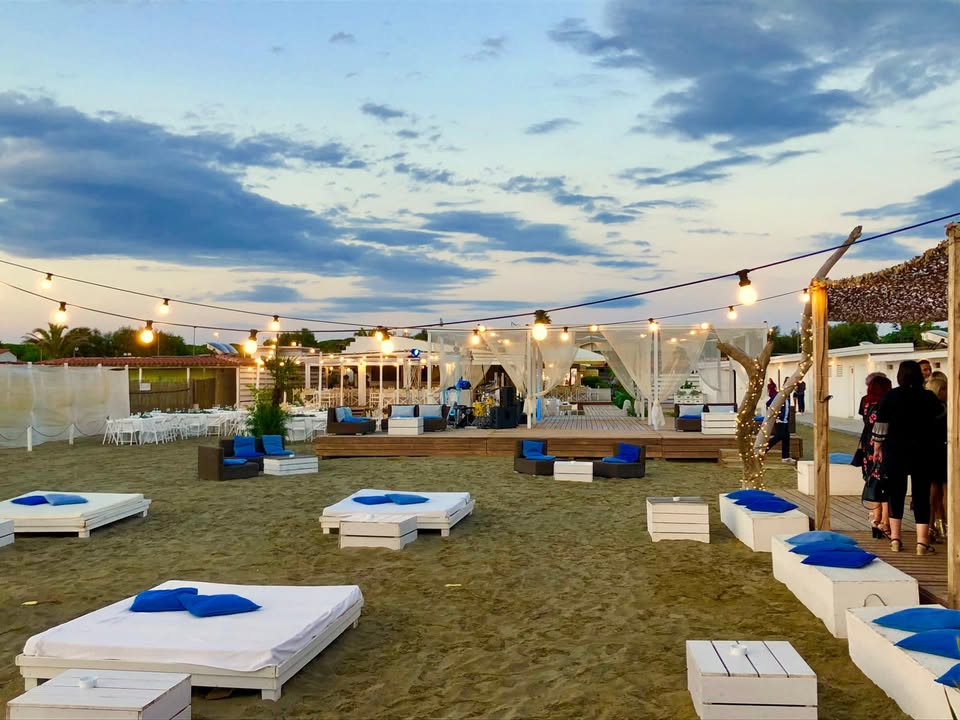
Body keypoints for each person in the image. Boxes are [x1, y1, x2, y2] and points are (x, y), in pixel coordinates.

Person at [872, 360, 944, 555]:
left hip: (895, 451)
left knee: (895, 494)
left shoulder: (891, 396)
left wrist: (877, 448)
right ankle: (922, 542)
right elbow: (941, 417)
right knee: (921, 495)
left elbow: (880, 426)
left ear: (900, 376)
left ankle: (896, 539)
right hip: (924, 452)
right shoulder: (928, 397)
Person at [857, 374, 893, 537]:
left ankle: (875, 519)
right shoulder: (886, 403)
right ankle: (885, 521)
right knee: (885, 484)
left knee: (872, 482)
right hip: (883, 445)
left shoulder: (865, 401)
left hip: (867, 445)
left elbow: (865, 420)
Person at [925, 375, 948, 542]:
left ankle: (930, 526)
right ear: (940, 391)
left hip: (929, 452)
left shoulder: (924, 409)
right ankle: (947, 525)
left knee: (932, 492)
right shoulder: (944, 409)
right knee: (946, 490)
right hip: (944, 450)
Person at [766, 397, 794, 463]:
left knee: (786, 438)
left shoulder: (787, 399)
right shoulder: (779, 396)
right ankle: (764, 449)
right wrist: (776, 415)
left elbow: (787, 409)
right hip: (779, 421)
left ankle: (785, 457)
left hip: (785, 420)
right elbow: (768, 403)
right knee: (779, 436)